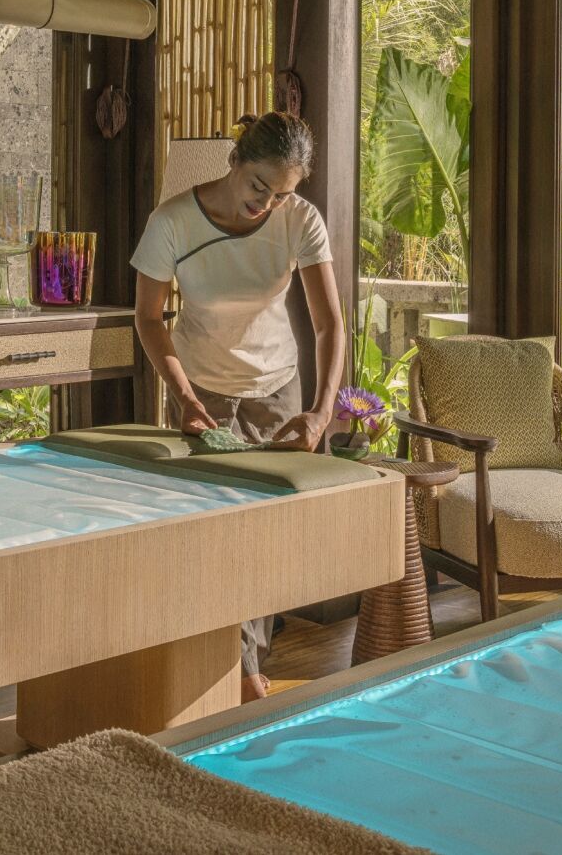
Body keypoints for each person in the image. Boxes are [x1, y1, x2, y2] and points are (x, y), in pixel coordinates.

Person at [129, 111, 345, 701]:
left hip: (280, 389)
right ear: (234, 162)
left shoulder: (299, 219)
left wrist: (322, 411)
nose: (267, 204)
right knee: (217, 535)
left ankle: (242, 662)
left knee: (266, 538)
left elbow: (329, 325)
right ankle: (242, 673)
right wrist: (186, 398)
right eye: (259, 186)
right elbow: (149, 319)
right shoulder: (172, 221)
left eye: (282, 193)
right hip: (204, 389)